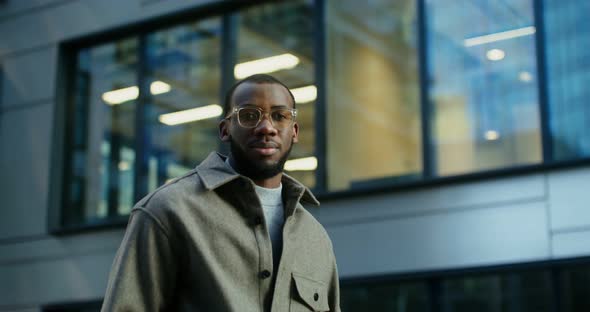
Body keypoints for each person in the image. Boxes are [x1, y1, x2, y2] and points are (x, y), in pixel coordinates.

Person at [101, 74, 340, 312]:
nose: (266, 127)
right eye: (248, 115)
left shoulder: (315, 238)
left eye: (279, 116)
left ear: (295, 131)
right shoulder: (167, 210)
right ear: (225, 130)